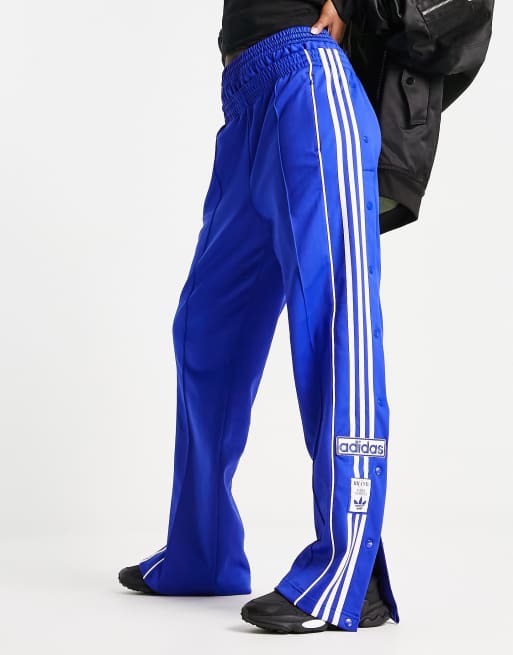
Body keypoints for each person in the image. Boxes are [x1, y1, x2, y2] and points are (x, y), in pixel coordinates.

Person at [118, 1, 400, 634]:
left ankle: (350, 572)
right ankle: (203, 553)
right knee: (204, 330)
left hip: (309, 80)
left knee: (335, 322)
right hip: (246, 99)